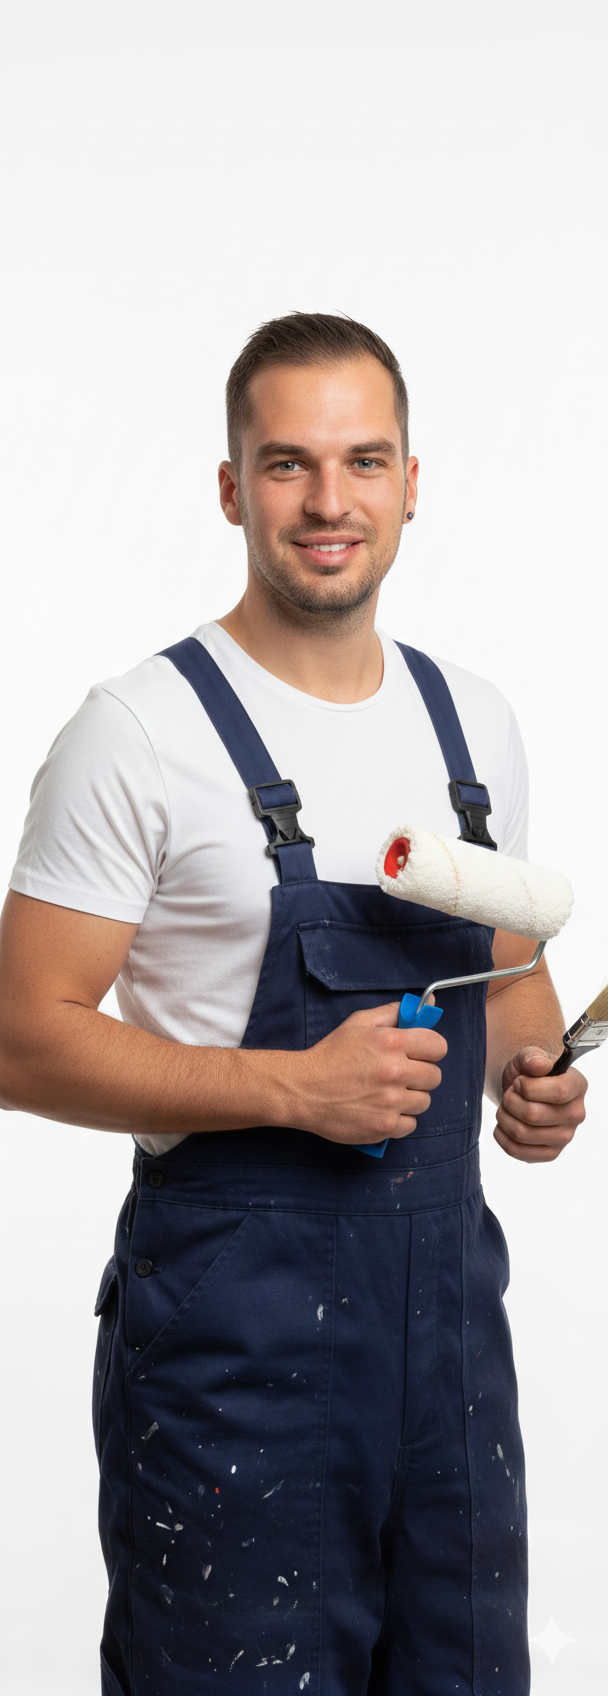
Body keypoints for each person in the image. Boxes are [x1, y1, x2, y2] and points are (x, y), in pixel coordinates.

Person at [0, 313, 586, 1696]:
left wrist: (538, 1090)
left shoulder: (474, 724)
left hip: (450, 1357)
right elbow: (19, 1038)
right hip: (235, 1361)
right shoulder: (139, 733)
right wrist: (290, 1088)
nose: (331, 501)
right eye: (288, 464)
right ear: (231, 487)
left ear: (411, 483)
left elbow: (514, 986)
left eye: (364, 461)